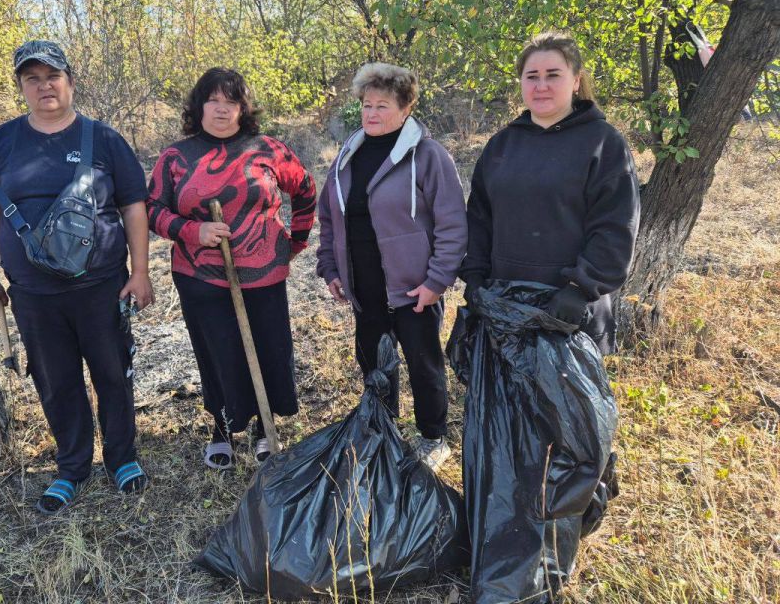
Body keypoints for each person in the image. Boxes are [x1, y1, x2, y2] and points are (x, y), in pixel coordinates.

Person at [0, 40, 154, 514]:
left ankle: (122, 458)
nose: (43, 86)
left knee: (113, 372)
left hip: (101, 286)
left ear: (70, 81)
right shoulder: (3, 141)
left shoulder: (104, 139)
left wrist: (140, 272)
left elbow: (134, 206)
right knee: (55, 381)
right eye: (31, 78)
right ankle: (72, 467)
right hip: (33, 294)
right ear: (22, 88)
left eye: (51, 76)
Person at [147, 68, 316, 469]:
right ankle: (223, 426)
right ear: (199, 106)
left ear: (243, 108)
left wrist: (296, 241)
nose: (222, 109)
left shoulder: (270, 150)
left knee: (268, 348)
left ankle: (263, 424)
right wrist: (192, 230)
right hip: (199, 277)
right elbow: (151, 210)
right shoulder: (176, 157)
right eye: (213, 100)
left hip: (264, 276)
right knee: (218, 350)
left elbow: (306, 191)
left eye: (231, 101)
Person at [316, 62, 468, 471]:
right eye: (366, 105)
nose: (371, 114)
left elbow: (453, 223)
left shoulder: (429, 156)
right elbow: (329, 216)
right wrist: (330, 268)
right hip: (364, 286)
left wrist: (437, 281)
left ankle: (434, 437)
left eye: (382, 105)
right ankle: (383, 431)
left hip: (415, 288)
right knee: (373, 361)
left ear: (406, 109)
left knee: (423, 363)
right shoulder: (348, 155)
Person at [460, 30, 640, 354]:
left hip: (570, 315)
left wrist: (580, 288)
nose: (541, 85)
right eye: (532, 76)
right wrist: (474, 279)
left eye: (552, 75)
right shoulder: (501, 146)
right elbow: (479, 219)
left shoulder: (604, 143)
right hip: (506, 314)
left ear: (575, 80)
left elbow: (615, 227)